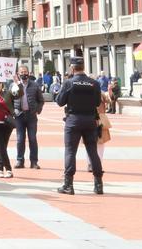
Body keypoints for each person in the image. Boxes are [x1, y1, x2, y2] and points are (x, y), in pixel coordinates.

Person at [55, 57, 103, 195]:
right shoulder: (94, 83)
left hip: (74, 120)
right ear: (83, 66)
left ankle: (68, 185)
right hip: (89, 119)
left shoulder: (69, 82)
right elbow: (97, 102)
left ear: (72, 68)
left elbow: (60, 102)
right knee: (92, 151)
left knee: (70, 151)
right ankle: (98, 184)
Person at [13, 66, 44, 169]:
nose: (24, 74)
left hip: (31, 116)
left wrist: (37, 110)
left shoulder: (35, 85)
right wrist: (13, 111)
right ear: (18, 73)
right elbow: (9, 100)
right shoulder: (14, 85)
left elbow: (41, 100)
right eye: (21, 72)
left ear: (29, 73)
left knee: (32, 139)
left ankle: (34, 162)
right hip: (19, 116)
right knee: (20, 139)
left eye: (25, 72)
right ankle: (20, 160)